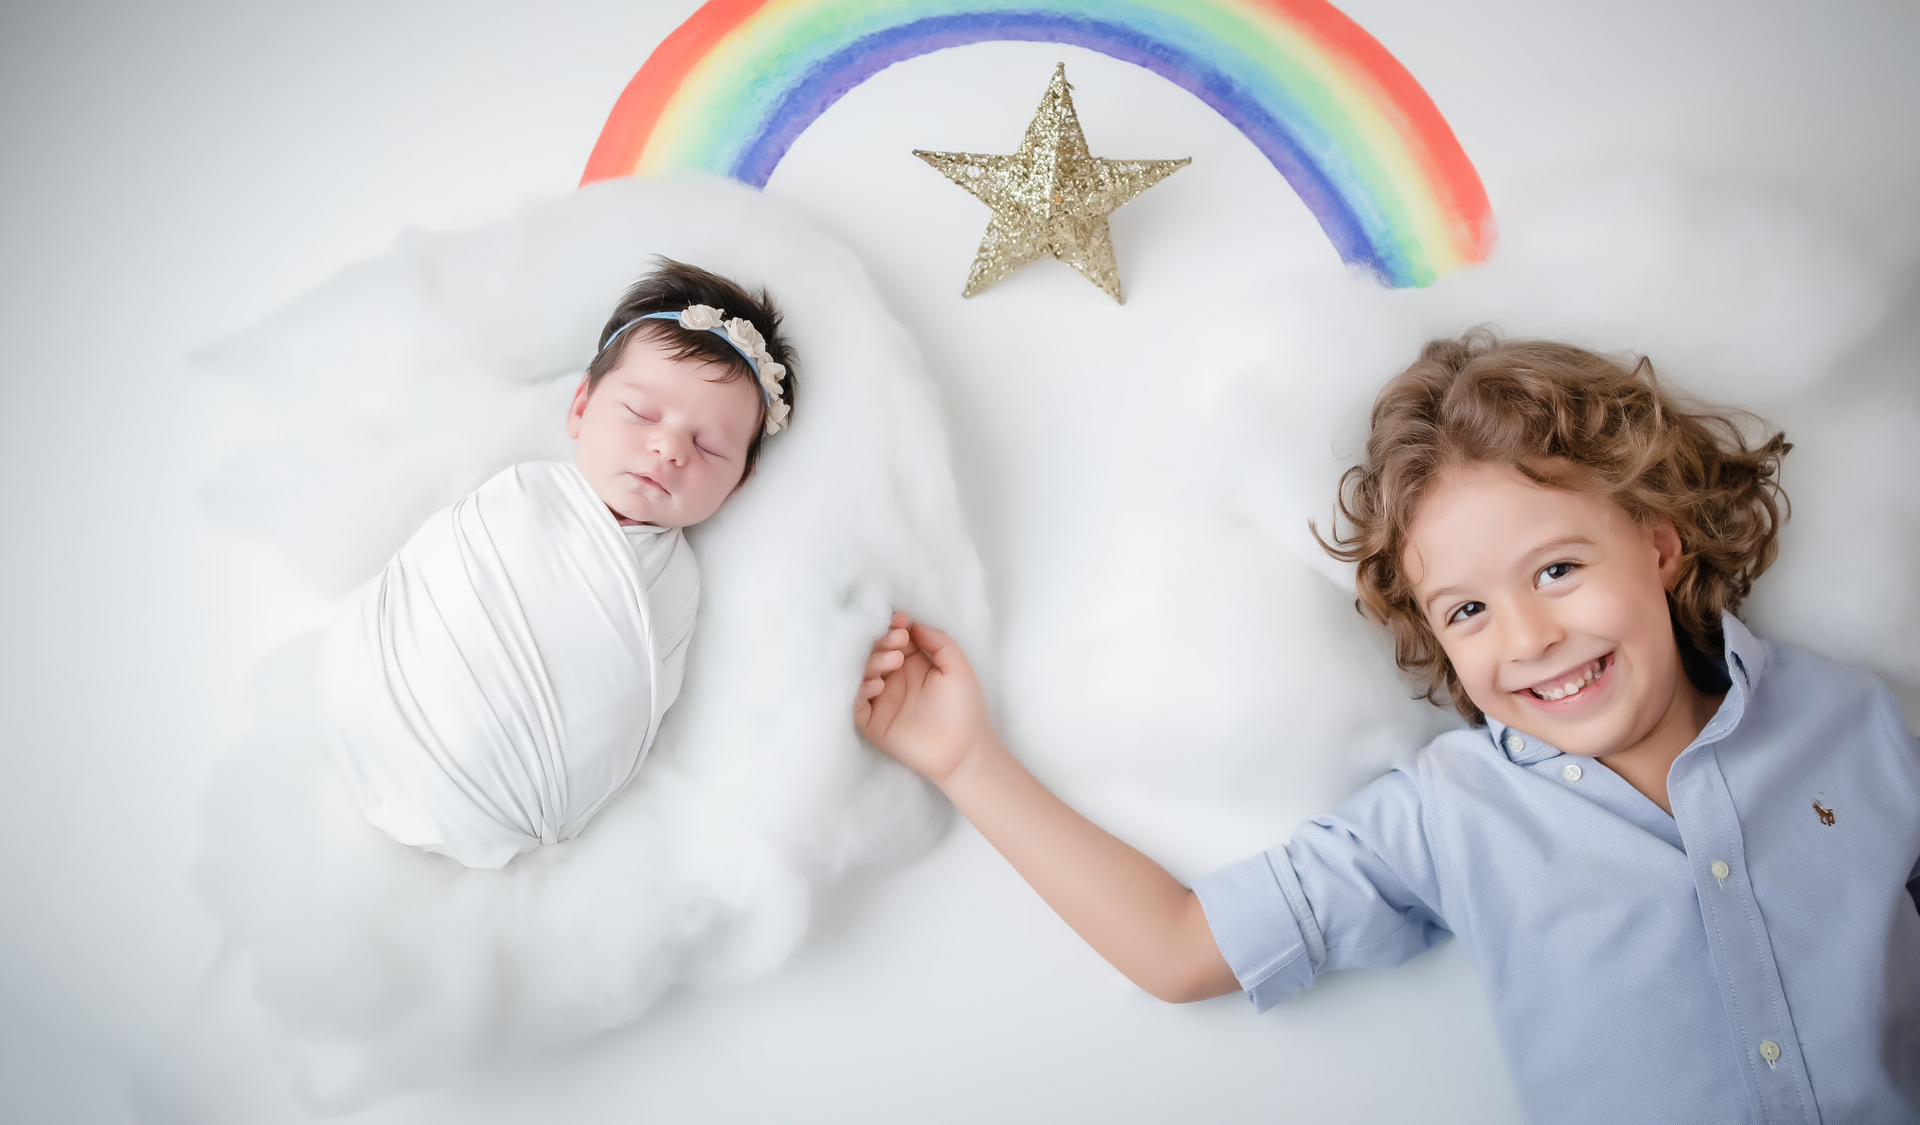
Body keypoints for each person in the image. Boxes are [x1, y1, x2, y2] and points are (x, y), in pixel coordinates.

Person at [855, 331, 1920, 1124]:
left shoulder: (1852, 719)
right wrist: (965, 759)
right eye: (1469, 609)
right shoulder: (1451, 810)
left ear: (1659, 543)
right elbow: (1179, 946)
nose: (1531, 636)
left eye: (1558, 569)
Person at [318, 259, 797, 869]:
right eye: (643, 413)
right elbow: (444, 570)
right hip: (372, 676)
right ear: (580, 407)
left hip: (504, 797)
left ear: (738, 483)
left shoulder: (678, 585)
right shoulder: (521, 494)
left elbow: (633, 707)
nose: (669, 447)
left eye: (708, 446)